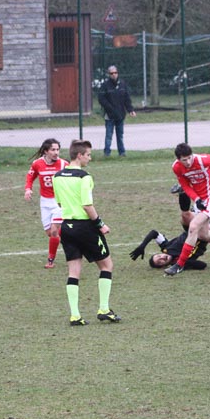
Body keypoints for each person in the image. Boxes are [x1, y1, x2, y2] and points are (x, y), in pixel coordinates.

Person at [52, 139, 121, 326]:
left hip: (67, 227)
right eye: (88, 155)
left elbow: (60, 203)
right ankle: (104, 309)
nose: (90, 158)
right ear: (79, 155)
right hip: (85, 227)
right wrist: (101, 224)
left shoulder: (57, 176)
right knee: (106, 265)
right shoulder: (84, 177)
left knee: (73, 271)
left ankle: (75, 315)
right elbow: (87, 205)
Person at [164, 143, 210, 276]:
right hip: (200, 201)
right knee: (203, 234)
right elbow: (185, 185)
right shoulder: (177, 167)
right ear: (178, 159)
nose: (188, 162)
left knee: (193, 226)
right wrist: (196, 200)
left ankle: (179, 265)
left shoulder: (203, 160)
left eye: (189, 158)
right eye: (184, 160)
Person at [24, 138, 69, 268]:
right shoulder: (37, 164)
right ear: (46, 151)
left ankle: (50, 261)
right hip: (45, 202)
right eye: (53, 150)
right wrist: (28, 189)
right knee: (50, 233)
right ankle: (72, 240)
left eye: (58, 149)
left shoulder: (63, 164)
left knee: (54, 232)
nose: (56, 152)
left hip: (59, 202)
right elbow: (30, 176)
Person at [96, 65, 135, 157]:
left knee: (120, 135)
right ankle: (107, 153)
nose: (114, 74)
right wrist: (110, 108)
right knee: (109, 135)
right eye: (111, 73)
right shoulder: (105, 85)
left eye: (115, 73)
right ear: (109, 74)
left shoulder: (122, 84)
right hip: (109, 115)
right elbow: (101, 99)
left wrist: (130, 110)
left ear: (117, 73)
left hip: (120, 114)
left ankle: (122, 153)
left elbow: (127, 98)